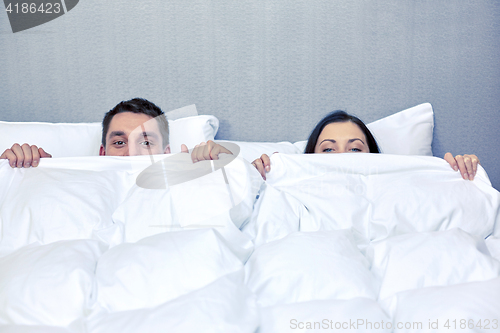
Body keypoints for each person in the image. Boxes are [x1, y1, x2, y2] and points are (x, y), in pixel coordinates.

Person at [252, 110, 480, 181]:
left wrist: (459, 174)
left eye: (355, 149)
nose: (343, 157)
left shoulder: (397, 181)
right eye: (329, 149)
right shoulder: (290, 180)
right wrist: (254, 178)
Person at [0, 98, 231, 167]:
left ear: (166, 152)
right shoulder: (78, 186)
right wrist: (23, 173)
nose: (131, 154)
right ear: (102, 152)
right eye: (120, 143)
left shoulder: (188, 184)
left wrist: (230, 167)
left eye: (147, 143)